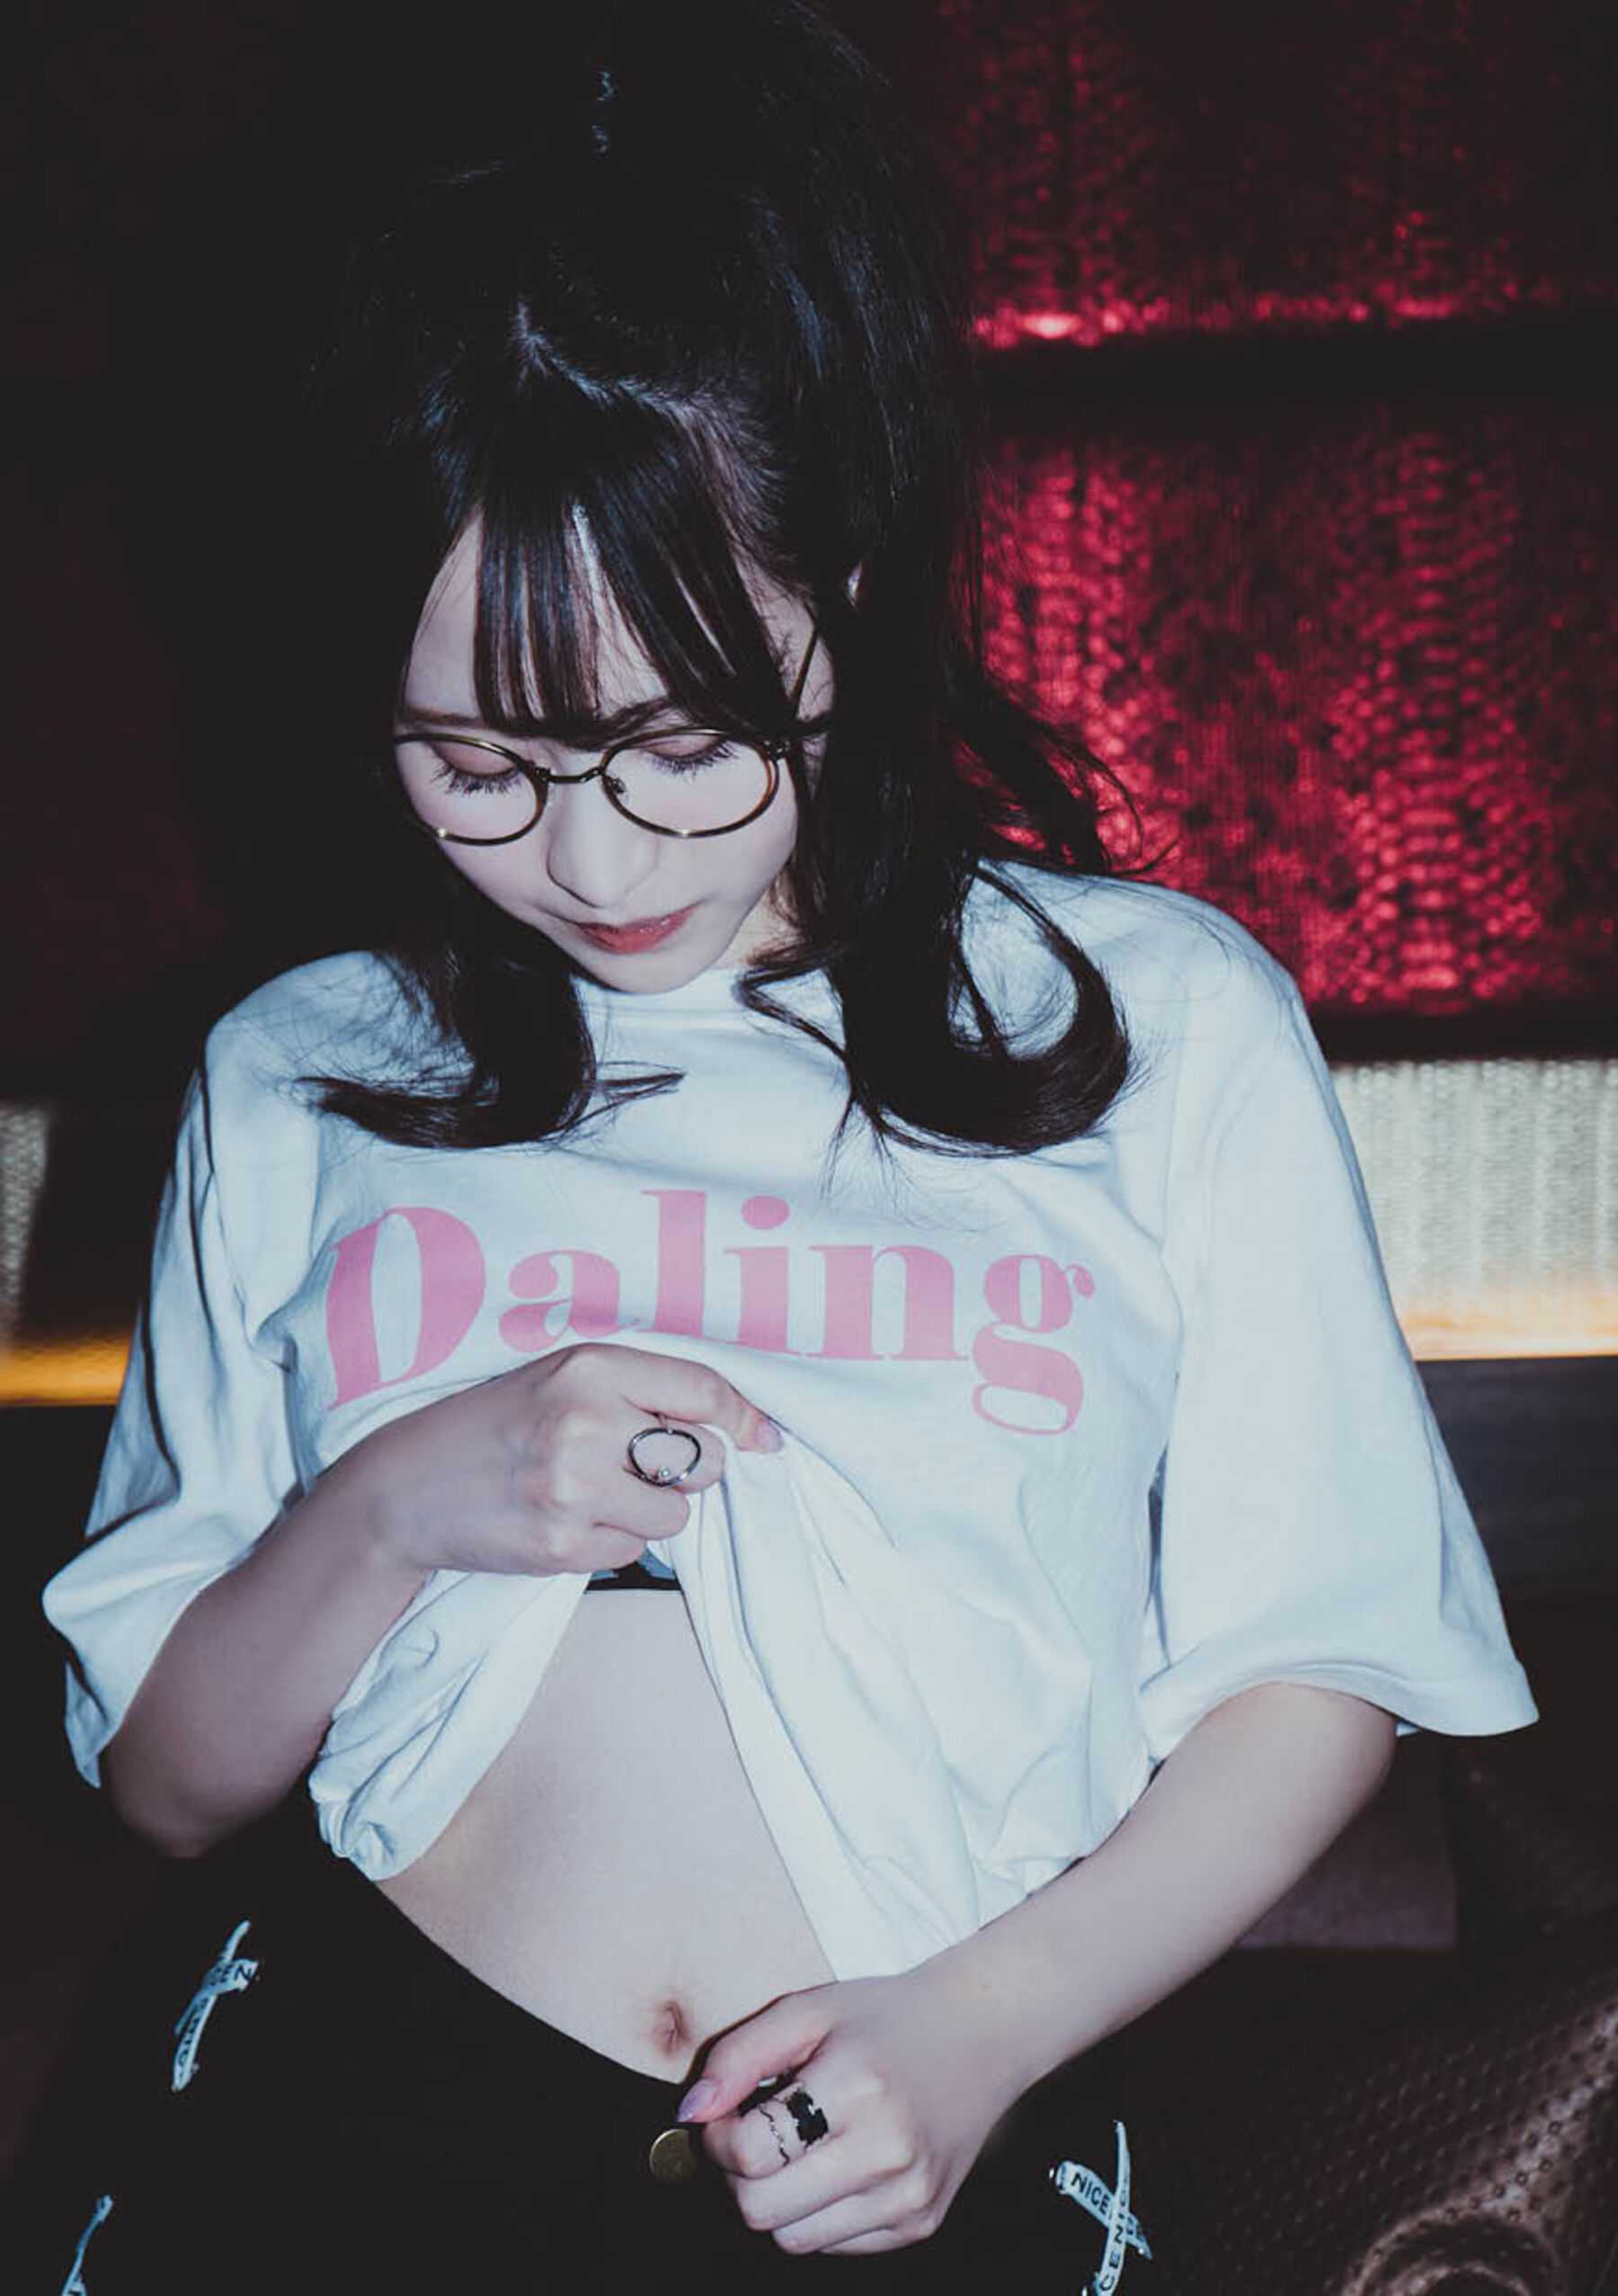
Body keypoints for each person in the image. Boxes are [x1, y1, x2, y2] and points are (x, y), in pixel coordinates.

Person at [13, 3, 1534, 2288]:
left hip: (929, 2118)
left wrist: (983, 2027)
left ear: (858, 587)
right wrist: (399, 1497)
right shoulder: (304, 1064)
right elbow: (162, 1773)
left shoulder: (1149, 1021)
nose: (589, 851)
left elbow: (1319, 1671)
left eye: (683, 738)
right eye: (475, 761)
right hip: (340, 2112)